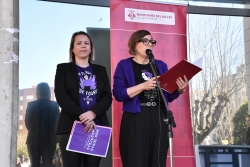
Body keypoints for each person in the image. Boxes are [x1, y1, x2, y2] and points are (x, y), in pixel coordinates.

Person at [112, 29, 188, 167]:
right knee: (135, 160)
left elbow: (168, 96)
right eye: (145, 41)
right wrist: (143, 86)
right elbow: (118, 94)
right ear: (134, 44)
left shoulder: (160, 65)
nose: (150, 44)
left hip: (159, 117)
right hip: (135, 118)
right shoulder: (124, 65)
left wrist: (179, 89)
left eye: (152, 41)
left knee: (157, 161)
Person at [54, 31, 112, 167]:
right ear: (72, 48)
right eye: (78, 43)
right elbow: (61, 96)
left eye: (86, 43)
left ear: (91, 48)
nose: (83, 46)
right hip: (71, 127)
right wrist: (83, 116)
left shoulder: (100, 70)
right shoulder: (63, 69)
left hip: (96, 127)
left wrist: (92, 113)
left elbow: (107, 96)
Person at [25, 82, 60, 167]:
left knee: (34, 164)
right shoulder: (55, 105)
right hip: (49, 140)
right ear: (49, 92)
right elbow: (58, 123)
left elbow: (27, 123)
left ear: (37, 92)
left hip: (33, 140)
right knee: (48, 164)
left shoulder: (31, 105)